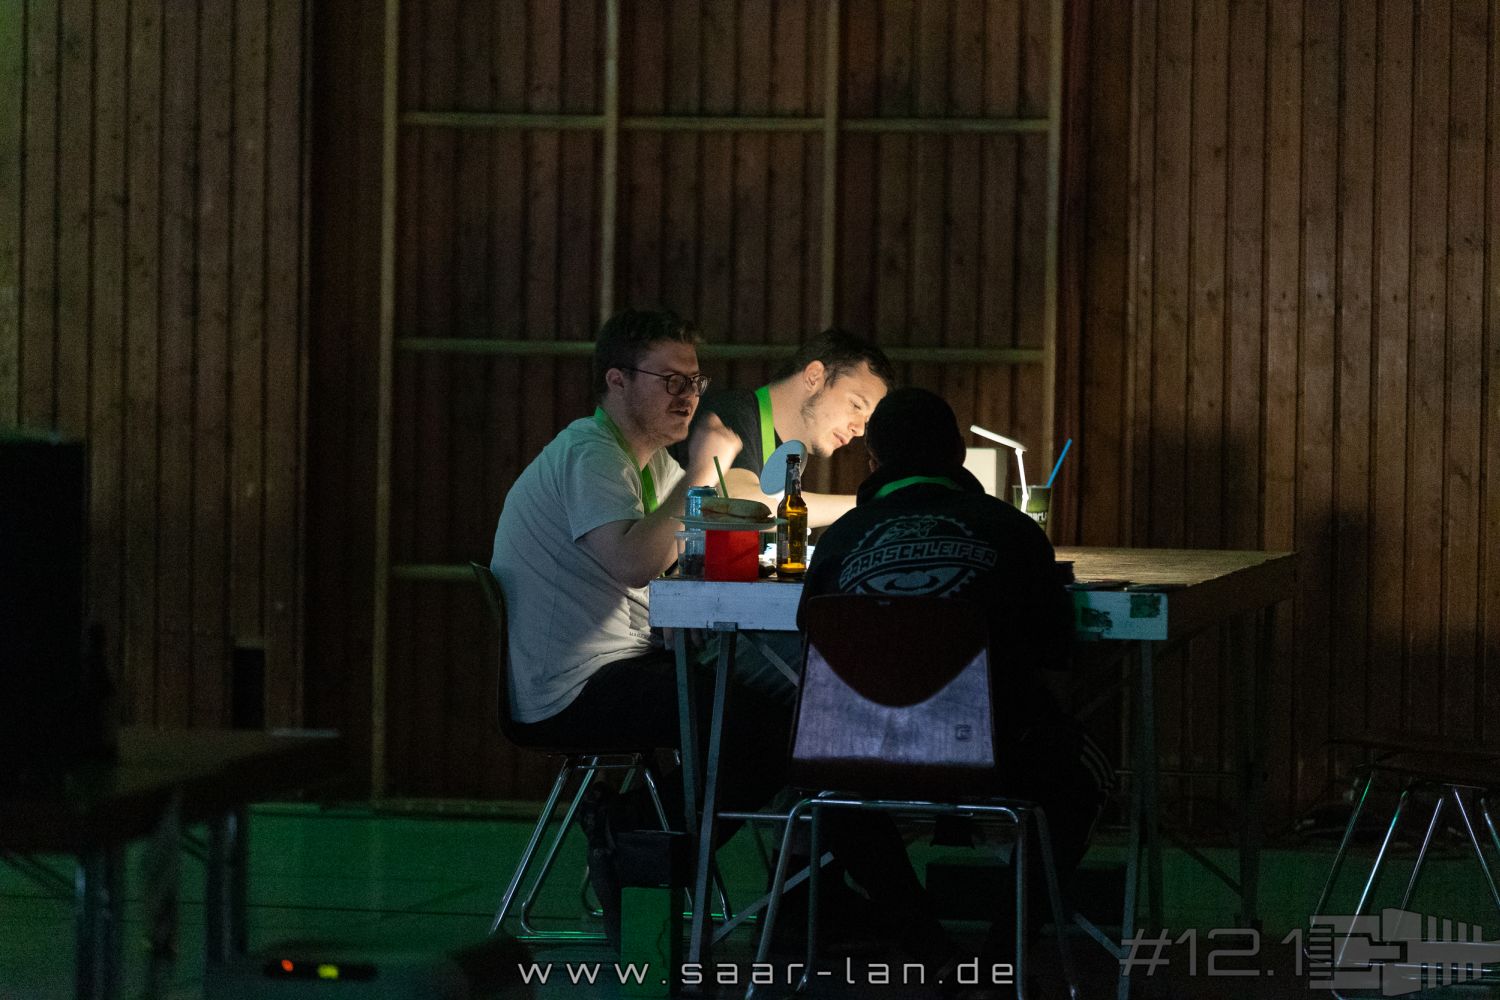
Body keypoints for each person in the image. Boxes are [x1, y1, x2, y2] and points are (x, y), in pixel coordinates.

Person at [489, 308, 793, 948]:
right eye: (670, 381)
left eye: (695, 382)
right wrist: (701, 474)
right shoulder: (591, 454)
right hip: (573, 688)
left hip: (623, 665)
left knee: (769, 712)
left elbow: (682, 550)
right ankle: (634, 841)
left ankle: (637, 839)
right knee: (763, 727)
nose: (688, 396)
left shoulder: (649, 464)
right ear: (617, 380)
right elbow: (633, 562)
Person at [797, 387, 1113, 971]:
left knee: (833, 790)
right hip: (995, 753)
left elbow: (814, 654)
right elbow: (1055, 666)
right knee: (1080, 778)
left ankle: (930, 949)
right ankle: (1003, 954)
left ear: (873, 462)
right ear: (960, 455)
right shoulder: (1014, 531)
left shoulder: (838, 541)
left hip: (865, 751)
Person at [671, 329, 896, 528]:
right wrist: (868, 502)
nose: (859, 430)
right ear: (814, 376)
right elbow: (741, 505)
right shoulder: (731, 412)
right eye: (856, 405)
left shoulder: (790, 454)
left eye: (867, 421)